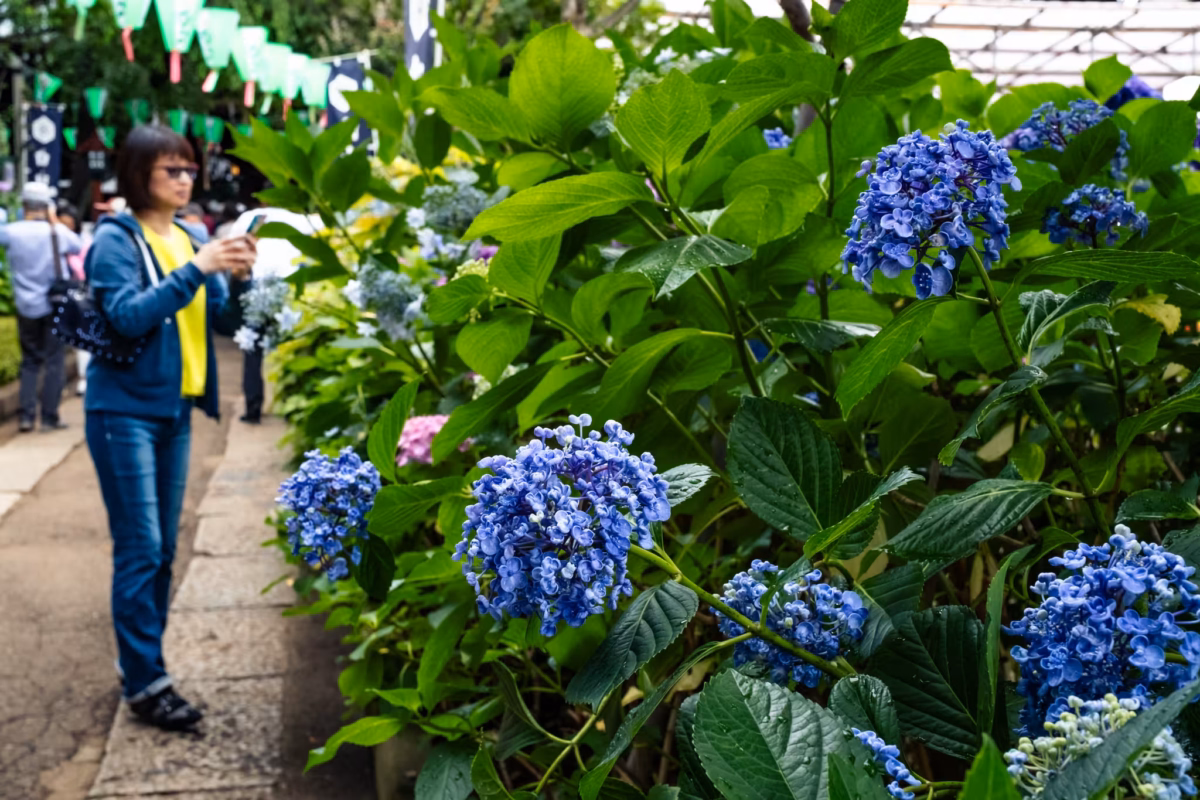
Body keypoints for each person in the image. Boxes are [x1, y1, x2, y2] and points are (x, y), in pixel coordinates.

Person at [85, 125, 255, 731]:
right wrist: (198, 267)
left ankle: (141, 665)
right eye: (172, 170)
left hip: (174, 410)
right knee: (142, 548)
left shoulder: (189, 235)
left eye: (189, 169)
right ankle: (145, 682)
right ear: (139, 176)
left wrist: (234, 279)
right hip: (121, 411)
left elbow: (214, 318)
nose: (186, 180)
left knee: (161, 552)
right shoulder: (115, 238)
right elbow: (127, 317)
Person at [0, 183, 82, 432]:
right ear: (47, 206)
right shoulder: (56, 232)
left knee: (30, 361)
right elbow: (77, 246)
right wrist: (54, 220)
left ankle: (26, 417)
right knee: (54, 360)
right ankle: (49, 417)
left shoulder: (10, 233)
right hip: (55, 303)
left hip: (26, 305)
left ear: (23, 205)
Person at [225, 206, 319, 424]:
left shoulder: (251, 218)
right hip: (291, 289)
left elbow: (235, 248)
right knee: (291, 349)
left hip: (257, 288)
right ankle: (291, 408)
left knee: (252, 350)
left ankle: (253, 409)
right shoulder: (300, 218)